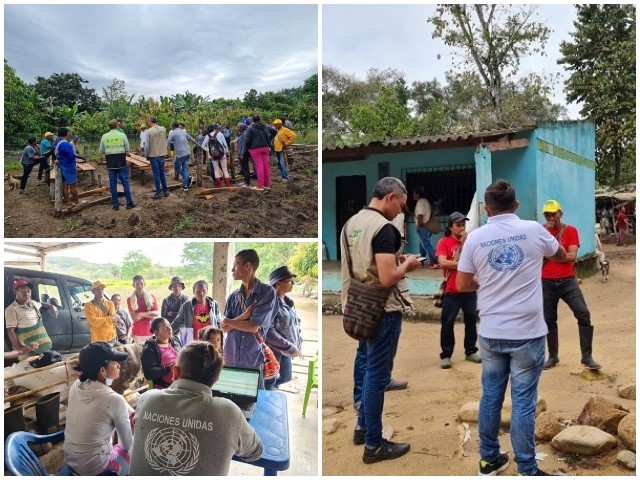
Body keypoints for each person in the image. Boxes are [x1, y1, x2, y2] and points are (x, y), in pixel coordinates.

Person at [456, 180, 568, 476]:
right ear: (515, 205)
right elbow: (559, 254)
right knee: (523, 402)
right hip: (527, 333)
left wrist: (488, 280)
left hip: (491, 332)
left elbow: (462, 284)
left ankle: (489, 460)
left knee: (490, 396)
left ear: (486, 208)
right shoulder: (534, 230)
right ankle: (528, 469)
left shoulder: (475, 238)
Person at [341, 177, 422, 464]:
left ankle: (363, 428)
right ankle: (374, 445)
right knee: (377, 376)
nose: (402, 210)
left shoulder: (352, 223)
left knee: (366, 364)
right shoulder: (385, 229)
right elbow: (387, 277)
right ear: (390, 197)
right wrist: (408, 264)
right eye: (401, 204)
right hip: (382, 309)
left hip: (358, 306)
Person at [130, 341, 263, 475]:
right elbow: (256, 452)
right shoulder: (229, 412)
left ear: (175, 372)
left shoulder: (147, 399)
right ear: (216, 379)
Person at [540, 199, 601, 370]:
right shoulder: (541, 232)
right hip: (546, 282)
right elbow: (537, 255)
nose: (551, 217)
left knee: (583, 313)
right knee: (549, 320)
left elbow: (571, 256)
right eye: (547, 214)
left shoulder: (570, 231)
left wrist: (549, 255)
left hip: (567, 281)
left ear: (560, 213)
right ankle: (553, 356)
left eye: (554, 213)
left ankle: (587, 356)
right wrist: (558, 255)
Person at [64, 342, 133, 475]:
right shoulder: (114, 400)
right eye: (114, 362)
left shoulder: (76, 386)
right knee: (131, 452)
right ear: (102, 370)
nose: (119, 365)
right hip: (95, 469)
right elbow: (126, 445)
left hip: (71, 461)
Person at [220, 249, 278, 388]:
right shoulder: (234, 296)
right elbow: (225, 328)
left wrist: (229, 321)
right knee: (230, 397)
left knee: (253, 401)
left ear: (248, 266)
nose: (232, 269)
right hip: (231, 356)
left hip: (252, 358)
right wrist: (244, 316)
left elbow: (253, 327)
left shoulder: (267, 292)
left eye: (236, 264)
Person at [435, 212, 481, 369]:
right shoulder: (444, 242)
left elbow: (475, 262)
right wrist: (463, 263)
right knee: (447, 323)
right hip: (452, 291)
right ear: (450, 227)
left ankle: (470, 351)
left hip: (469, 290)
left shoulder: (471, 242)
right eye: (458, 225)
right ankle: (446, 354)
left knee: (471, 321)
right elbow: (443, 262)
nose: (461, 227)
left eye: (463, 224)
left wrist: (464, 247)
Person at [264, 266, 303, 389]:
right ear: (278, 283)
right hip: (275, 350)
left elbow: (295, 324)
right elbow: (268, 331)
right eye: (289, 281)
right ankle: (266, 395)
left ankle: (268, 388)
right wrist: (289, 346)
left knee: (286, 377)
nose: (292, 284)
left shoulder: (288, 302)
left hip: (287, 350)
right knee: (270, 379)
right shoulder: (271, 303)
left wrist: (298, 342)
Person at [5, 280, 56, 359]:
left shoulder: (33, 303)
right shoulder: (11, 309)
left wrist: (52, 306)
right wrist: (21, 350)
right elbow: (10, 331)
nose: (26, 294)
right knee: (29, 369)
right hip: (28, 351)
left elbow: (41, 304)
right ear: (15, 292)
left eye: (28, 291)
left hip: (41, 348)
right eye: (23, 291)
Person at [99, 119, 136, 211]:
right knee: (125, 182)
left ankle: (115, 204)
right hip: (121, 162)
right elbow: (127, 149)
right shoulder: (122, 135)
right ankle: (129, 203)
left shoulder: (104, 136)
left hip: (110, 163)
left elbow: (101, 151)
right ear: (117, 126)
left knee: (113, 184)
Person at [170, 279, 222, 344]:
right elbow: (177, 322)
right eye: (198, 291)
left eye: (204, 291)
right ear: (194, 292)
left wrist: (221, 340)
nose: (201, 293)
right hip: (193, 341)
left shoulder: (214, 304)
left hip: (210, 341)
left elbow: (219, 322)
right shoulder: (187, 306)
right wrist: (168, 332)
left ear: (207, 291)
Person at [141, 317, 182, 389]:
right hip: (165, 387)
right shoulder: (150, 349)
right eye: (165, 328)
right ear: (157, 332)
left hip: (181, 382)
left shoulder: (175, 340)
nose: (170, 329)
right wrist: (169, 368)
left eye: (169, 326)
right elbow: (149, 373)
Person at [240, 115, 277, 191]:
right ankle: (267, 185)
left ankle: (260, 186)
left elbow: (246, 141)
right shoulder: (266, 126)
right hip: (265, 148)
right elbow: (275, 132)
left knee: (259, 167)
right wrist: (269, 139)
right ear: (260, 120)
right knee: (266, 166)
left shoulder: (250, 128)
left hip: (255, 149)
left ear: (252, 120)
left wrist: (243, 152)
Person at [127, 275, 159, 343]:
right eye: (137, 284)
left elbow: (155, 314)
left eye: (142, 284)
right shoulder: (130, 299)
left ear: (144, 284)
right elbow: (135, 317)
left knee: (150, 352)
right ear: (133, 285)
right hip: (137, 332)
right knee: (138, 352)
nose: (140, 286)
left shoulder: (151, 297)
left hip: (150, 331)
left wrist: (141, 314)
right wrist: (148, 314)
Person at [167, 122, 198, 192]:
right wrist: (198, 144)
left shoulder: (172, 133)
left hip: (180, 154)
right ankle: (185, 186)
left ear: (173, 127)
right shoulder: (183, 132)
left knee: (176, 167)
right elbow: (191, 139)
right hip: (187, 153)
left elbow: (168, 143)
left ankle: (187, 178)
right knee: (185, 169)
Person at [84, 280, 118, 345]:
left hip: (111, 338)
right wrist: (110, 319)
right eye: (97, 289)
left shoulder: (110, 303)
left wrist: (101, 321)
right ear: (93, 291)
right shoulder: (88, 305)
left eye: (102, 289)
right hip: (97, 340)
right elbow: (94, 322)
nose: (100, 291)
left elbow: (114, 319)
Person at [53, 127, 80, 207]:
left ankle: (68, 203)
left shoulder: (56, 143)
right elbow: (72, 156)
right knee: (73, 186)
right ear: (66, 134)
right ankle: (77, 202)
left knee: (65, 185)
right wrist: (78, 157)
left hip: (62, 166)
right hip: (69, 166)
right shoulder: (66, 144)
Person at [144, 116, 169, 200]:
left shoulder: (148, 131)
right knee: (162, 173)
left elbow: (147, 146)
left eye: (148, 122)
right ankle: (165, 191)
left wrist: (146, 154)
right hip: (161, 154)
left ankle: (158, 193)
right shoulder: (163, 129)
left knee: (156, 174)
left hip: (153, 155)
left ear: (150, 122)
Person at [413, 186, 439, 267]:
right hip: (427, 226)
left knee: (426, 245)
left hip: (423, 226)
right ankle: (421, 262)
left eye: (414, 194)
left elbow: (420, 215)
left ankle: (437, 260)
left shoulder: (420, 202)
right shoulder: (425, 201)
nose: (413, 195)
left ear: (418, 194)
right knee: (422, 245)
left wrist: (418, 226)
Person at [272, 119, 297, 183]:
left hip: (282, 150)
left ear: (280, 124)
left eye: (276, 124)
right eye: (274, 124)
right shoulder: (276, 131)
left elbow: (294, 135)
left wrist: (287, 143)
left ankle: (285, 178)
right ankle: (283, 175)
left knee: (283, 163)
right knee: (279, 163)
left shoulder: (285, 130)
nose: (275, 125)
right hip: (276, 149)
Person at [233, 122, 252, 188]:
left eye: (238, 127)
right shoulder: (241, 134)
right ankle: (245, 181)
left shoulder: (245, 134)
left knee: (245, 167)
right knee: (243, 168)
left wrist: (242, 154)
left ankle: (247, 183)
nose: (236, 128)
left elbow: (244, 145)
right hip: (241, 153)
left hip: (244, 153)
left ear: (241, 128)